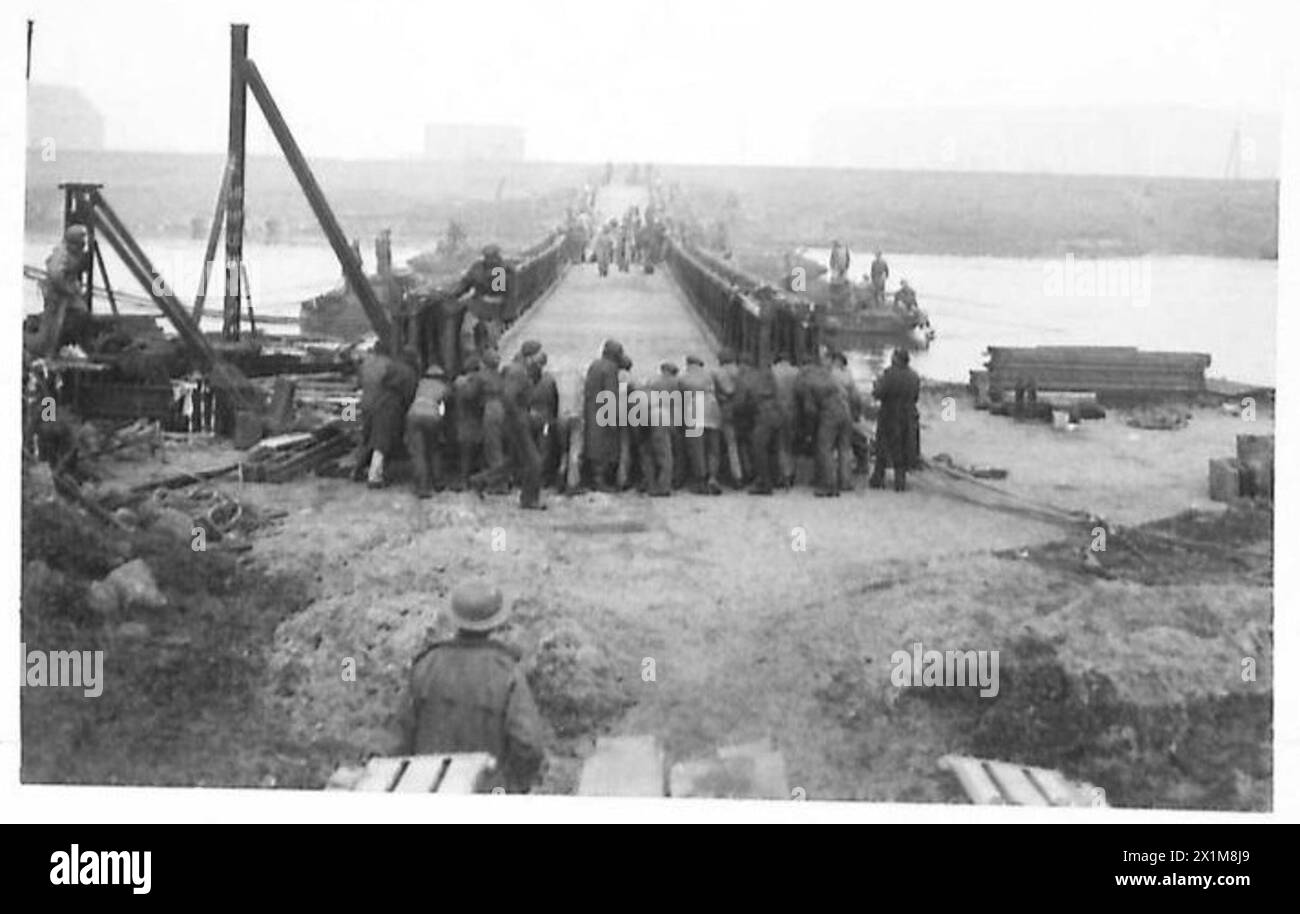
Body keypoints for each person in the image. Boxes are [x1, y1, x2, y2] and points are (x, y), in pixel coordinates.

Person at [394, 584, 549, 793]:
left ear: (455, 618)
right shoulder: (506, 672)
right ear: (496, 623)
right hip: (484, 792)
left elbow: (399, 737)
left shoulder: (426, 664)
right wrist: (511, 786)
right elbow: (529, 746)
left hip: (429, 789)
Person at [471, 341, 546, 509]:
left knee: (515, 462)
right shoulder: (518, 372)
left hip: (514, 421)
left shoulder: (517, 369)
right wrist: (522, 414)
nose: (542, 357)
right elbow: (508, 396)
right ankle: (529, 499)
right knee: (534, 462)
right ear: (531, 356)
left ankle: (480, 480)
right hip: (518, 423)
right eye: (539, 354)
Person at [355, 342, 419, 489]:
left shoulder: (368, 363)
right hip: (389, 409)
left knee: (367, 437)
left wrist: (349, 415)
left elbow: (358, 384)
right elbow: (409, 396)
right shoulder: (395, 367)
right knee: (381, 443)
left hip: (368, 404)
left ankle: (357, 469)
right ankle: (374, 478)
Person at [796, 351, 854, 497]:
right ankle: (845, 482)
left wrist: (809, 429)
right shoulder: (825, 374)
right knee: (844, 447)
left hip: (830, 413)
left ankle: (829, 485)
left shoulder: (804, 380)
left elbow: (809, 410)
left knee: (824, 448)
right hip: (845, 410)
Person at [448, 244, 513, 356]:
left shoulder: (501, 269)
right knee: (466, 331)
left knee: (492, 338)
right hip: (477, 305)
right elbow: (466, 282)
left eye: (493, 256)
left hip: (493, 309)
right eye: (487, 256)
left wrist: (508, 315)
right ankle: (471, 356)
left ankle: (490, 358)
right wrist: (453, 294)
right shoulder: (477, 267)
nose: (490, 259)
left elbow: (503, 292)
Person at [870, 348, 921, 492]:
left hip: (890, 413)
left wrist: (875, 387)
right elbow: (916, 397)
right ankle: (900, 481)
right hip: (909, 415)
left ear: (896, 359)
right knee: (904, 447)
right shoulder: (914, 376)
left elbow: (879, 393)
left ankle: (878, 478)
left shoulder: (889, 374)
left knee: (882, 446)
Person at [35, 225, 90, 358]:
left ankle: (68, 346)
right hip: (57, 294)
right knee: (54, 325)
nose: (83, 243)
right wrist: (69, 288)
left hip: (67, 294)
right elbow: (55, 275)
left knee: (81, 312)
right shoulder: (62, 253)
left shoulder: (73, 253)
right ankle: (52, 350)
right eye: (81, 240)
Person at [583, 340, 626, 492]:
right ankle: (600, 480)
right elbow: (610, 394)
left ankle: (592, 478)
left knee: (593, 443)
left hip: (591, 408)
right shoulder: (610, 368)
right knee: (604, 446)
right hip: (603, 412)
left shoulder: (595, 365)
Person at [677, 355, 723, 495]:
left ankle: (700, 480)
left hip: (694, 412)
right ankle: (713, 478)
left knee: (697, 449)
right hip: (712, 410)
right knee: (713, 448)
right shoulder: (710, 375)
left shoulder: (683, 378)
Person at [406, 362, 451, 498]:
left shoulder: (420, 383)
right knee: (434, 449)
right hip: (433, 417)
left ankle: (422, 488)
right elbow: (446, 407)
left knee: (419, 453)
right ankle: (438, 482)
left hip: (414, 416)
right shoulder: (444, 387)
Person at [640, 362, 679, 496]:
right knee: (665, 455)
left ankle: (650, 485)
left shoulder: (651, 384)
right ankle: (664, 487)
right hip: (662, 419)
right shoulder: (674, 383)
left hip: (645, 419)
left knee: (649, 454)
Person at [450, 352, 485, 491]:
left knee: (466, 453)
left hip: (461, 421)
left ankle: (465, 480)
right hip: (473, 421)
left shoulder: (458, 382)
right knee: (474, 452)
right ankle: (474, 481)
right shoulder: (475, 381)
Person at [770, 352, 800, 488]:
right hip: (793, 410)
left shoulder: (772, 371)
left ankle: (784, 475)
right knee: (791, 444)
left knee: (780, 444)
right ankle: (792, 472)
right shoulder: (796, 372)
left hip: (777, 409)